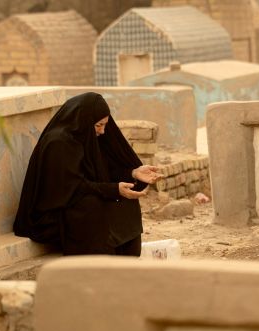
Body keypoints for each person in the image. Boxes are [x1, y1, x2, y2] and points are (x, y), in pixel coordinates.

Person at [13, 92, 162, 256]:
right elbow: (71, 188)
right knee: (93, 206)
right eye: (98, 125)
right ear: (83, 120)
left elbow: (103, 170)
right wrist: (113, 189)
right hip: (52, 216)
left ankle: (125, 263)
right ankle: (97, 266)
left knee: (125, 202)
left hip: (79, 201)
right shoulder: (58, 143)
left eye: (105, 125)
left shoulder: (87, 137)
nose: (103, 131)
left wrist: (133, 173)